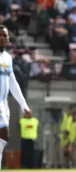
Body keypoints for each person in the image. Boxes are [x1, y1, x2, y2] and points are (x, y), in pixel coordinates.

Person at [0, 25, 31, 166]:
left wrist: (24, 105)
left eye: (4, 36)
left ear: (8, 39)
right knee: (3, 134)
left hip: (4, 103)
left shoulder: (7, 58)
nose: (2, 38)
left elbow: (12, 82)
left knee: (2, 139)